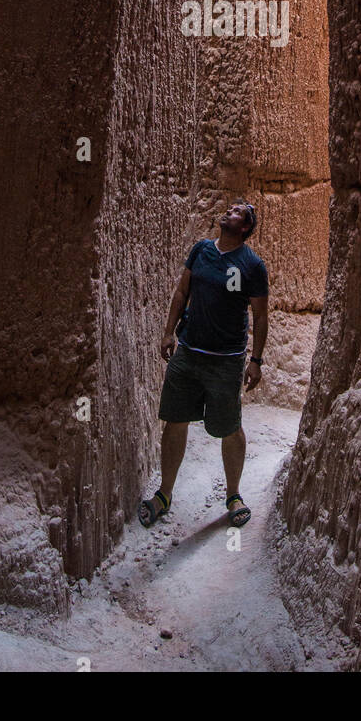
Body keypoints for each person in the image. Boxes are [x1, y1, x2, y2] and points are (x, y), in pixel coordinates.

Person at [138, 199, 268, 529]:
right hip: (189, 352)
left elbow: (260, 314)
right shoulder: (201, 250)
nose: (229, 210)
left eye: (237, 211)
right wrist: (169, 332)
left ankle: (234, 494)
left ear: (244, 228)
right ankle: (164, 494)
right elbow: (182, 292)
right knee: (175, 420)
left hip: (226, 361)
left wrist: (255, 361)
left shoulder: (252, 265)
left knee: (229, 427)